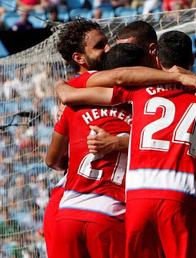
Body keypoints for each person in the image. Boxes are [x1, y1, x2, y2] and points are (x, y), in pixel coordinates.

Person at [55, 32, 196, 258]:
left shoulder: (138, 92)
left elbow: (72, 93)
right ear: (192, 61)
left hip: (137, 197)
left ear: (156, 60)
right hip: (181, 194)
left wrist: (62, 87)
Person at [45, 18, 130, 258]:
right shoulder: (127, 90)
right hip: (107, 212)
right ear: (79, 58)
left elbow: (52, 160)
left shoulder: (72, 97)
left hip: (66, 207)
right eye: (100, 45)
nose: (109, 49)